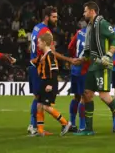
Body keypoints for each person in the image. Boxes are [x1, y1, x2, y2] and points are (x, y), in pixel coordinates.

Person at [72, 1, 115, 137]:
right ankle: (89, 128)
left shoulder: (103, 24)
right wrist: (80, 60)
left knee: (104, 96)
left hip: (103, 65)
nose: (84, 13)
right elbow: (89, 50)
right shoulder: (91, 26)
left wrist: (109, 55)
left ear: (92, 11)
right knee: (87, 94)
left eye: (85, 11)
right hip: (93, 64)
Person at [28, 7, 77, 136]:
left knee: (37, 98)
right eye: (54, 17)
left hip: (34, 66)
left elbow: (31, 46)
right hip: (40, 68)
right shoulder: (46, 32)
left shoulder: (36, 28)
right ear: (46, 17)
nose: (56, 19)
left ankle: (35, 126)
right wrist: (69, 59)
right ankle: (35, 126)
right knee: (40, 99)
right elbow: (52, 52)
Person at [33, 32, 72, 137]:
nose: (37, 45)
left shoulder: (50, 55)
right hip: (44, 82)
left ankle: (65, 123)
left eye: (39, 43)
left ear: (45, 43)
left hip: (50, 83)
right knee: (39, 106)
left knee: (46, 106)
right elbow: (33, 63)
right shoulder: (43, 55)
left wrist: (50, 85)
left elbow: (54, 71)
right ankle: (40, 131)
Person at [67, 26, 89, 132]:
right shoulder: (93, 34)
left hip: (75, 68)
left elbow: (70, 47)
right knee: (84, 98)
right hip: (84, 68)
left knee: (76, 96)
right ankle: (82, 126)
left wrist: (74, 57)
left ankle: (72, 124)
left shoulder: (79, 32)